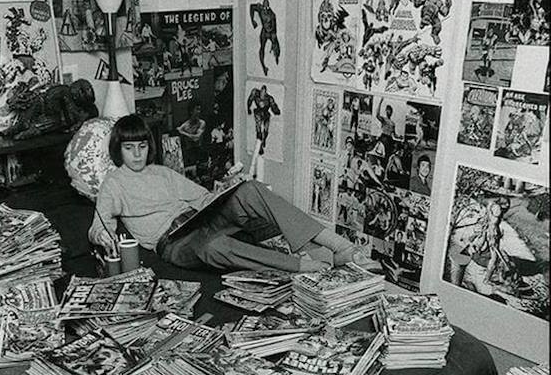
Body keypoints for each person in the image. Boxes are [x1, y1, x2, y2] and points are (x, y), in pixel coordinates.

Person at [88, 114, 373, 274]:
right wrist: (101, 235)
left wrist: (227, 189)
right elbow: (100, 225)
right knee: (214, 246)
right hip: (173, 243)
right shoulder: (114, 182)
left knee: (250, 189)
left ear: (149, 146)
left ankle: (340, 246)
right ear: (118, 149)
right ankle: (304, 265)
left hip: (198, 221)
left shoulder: (161, 172)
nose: (137, 154)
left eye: (142, 146)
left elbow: (203, 200)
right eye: (129, 148)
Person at [250, 0, 281, 76]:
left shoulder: (272, 14)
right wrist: (252, 20)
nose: (265, 9)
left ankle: (276, 56)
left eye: (266, 7)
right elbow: (252, 7)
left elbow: (274, 26)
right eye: (264, 7)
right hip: (264, 31)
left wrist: (274, 37)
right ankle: (264, 67)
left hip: (271, 32)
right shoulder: (260, 8)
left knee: (276, 45)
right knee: (262, 48)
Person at [247, 84, 280, 155]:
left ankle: (263, 139)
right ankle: (260, 145)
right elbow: (250, 99)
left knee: (266, 130)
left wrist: (276, 111)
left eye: (264, 93)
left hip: (265, 113)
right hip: (258, 112)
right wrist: (248, 108)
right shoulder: (255, 93)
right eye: (261, 93)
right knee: (258, 129)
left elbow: (273, 105)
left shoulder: (269, 98)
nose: (262, 95)